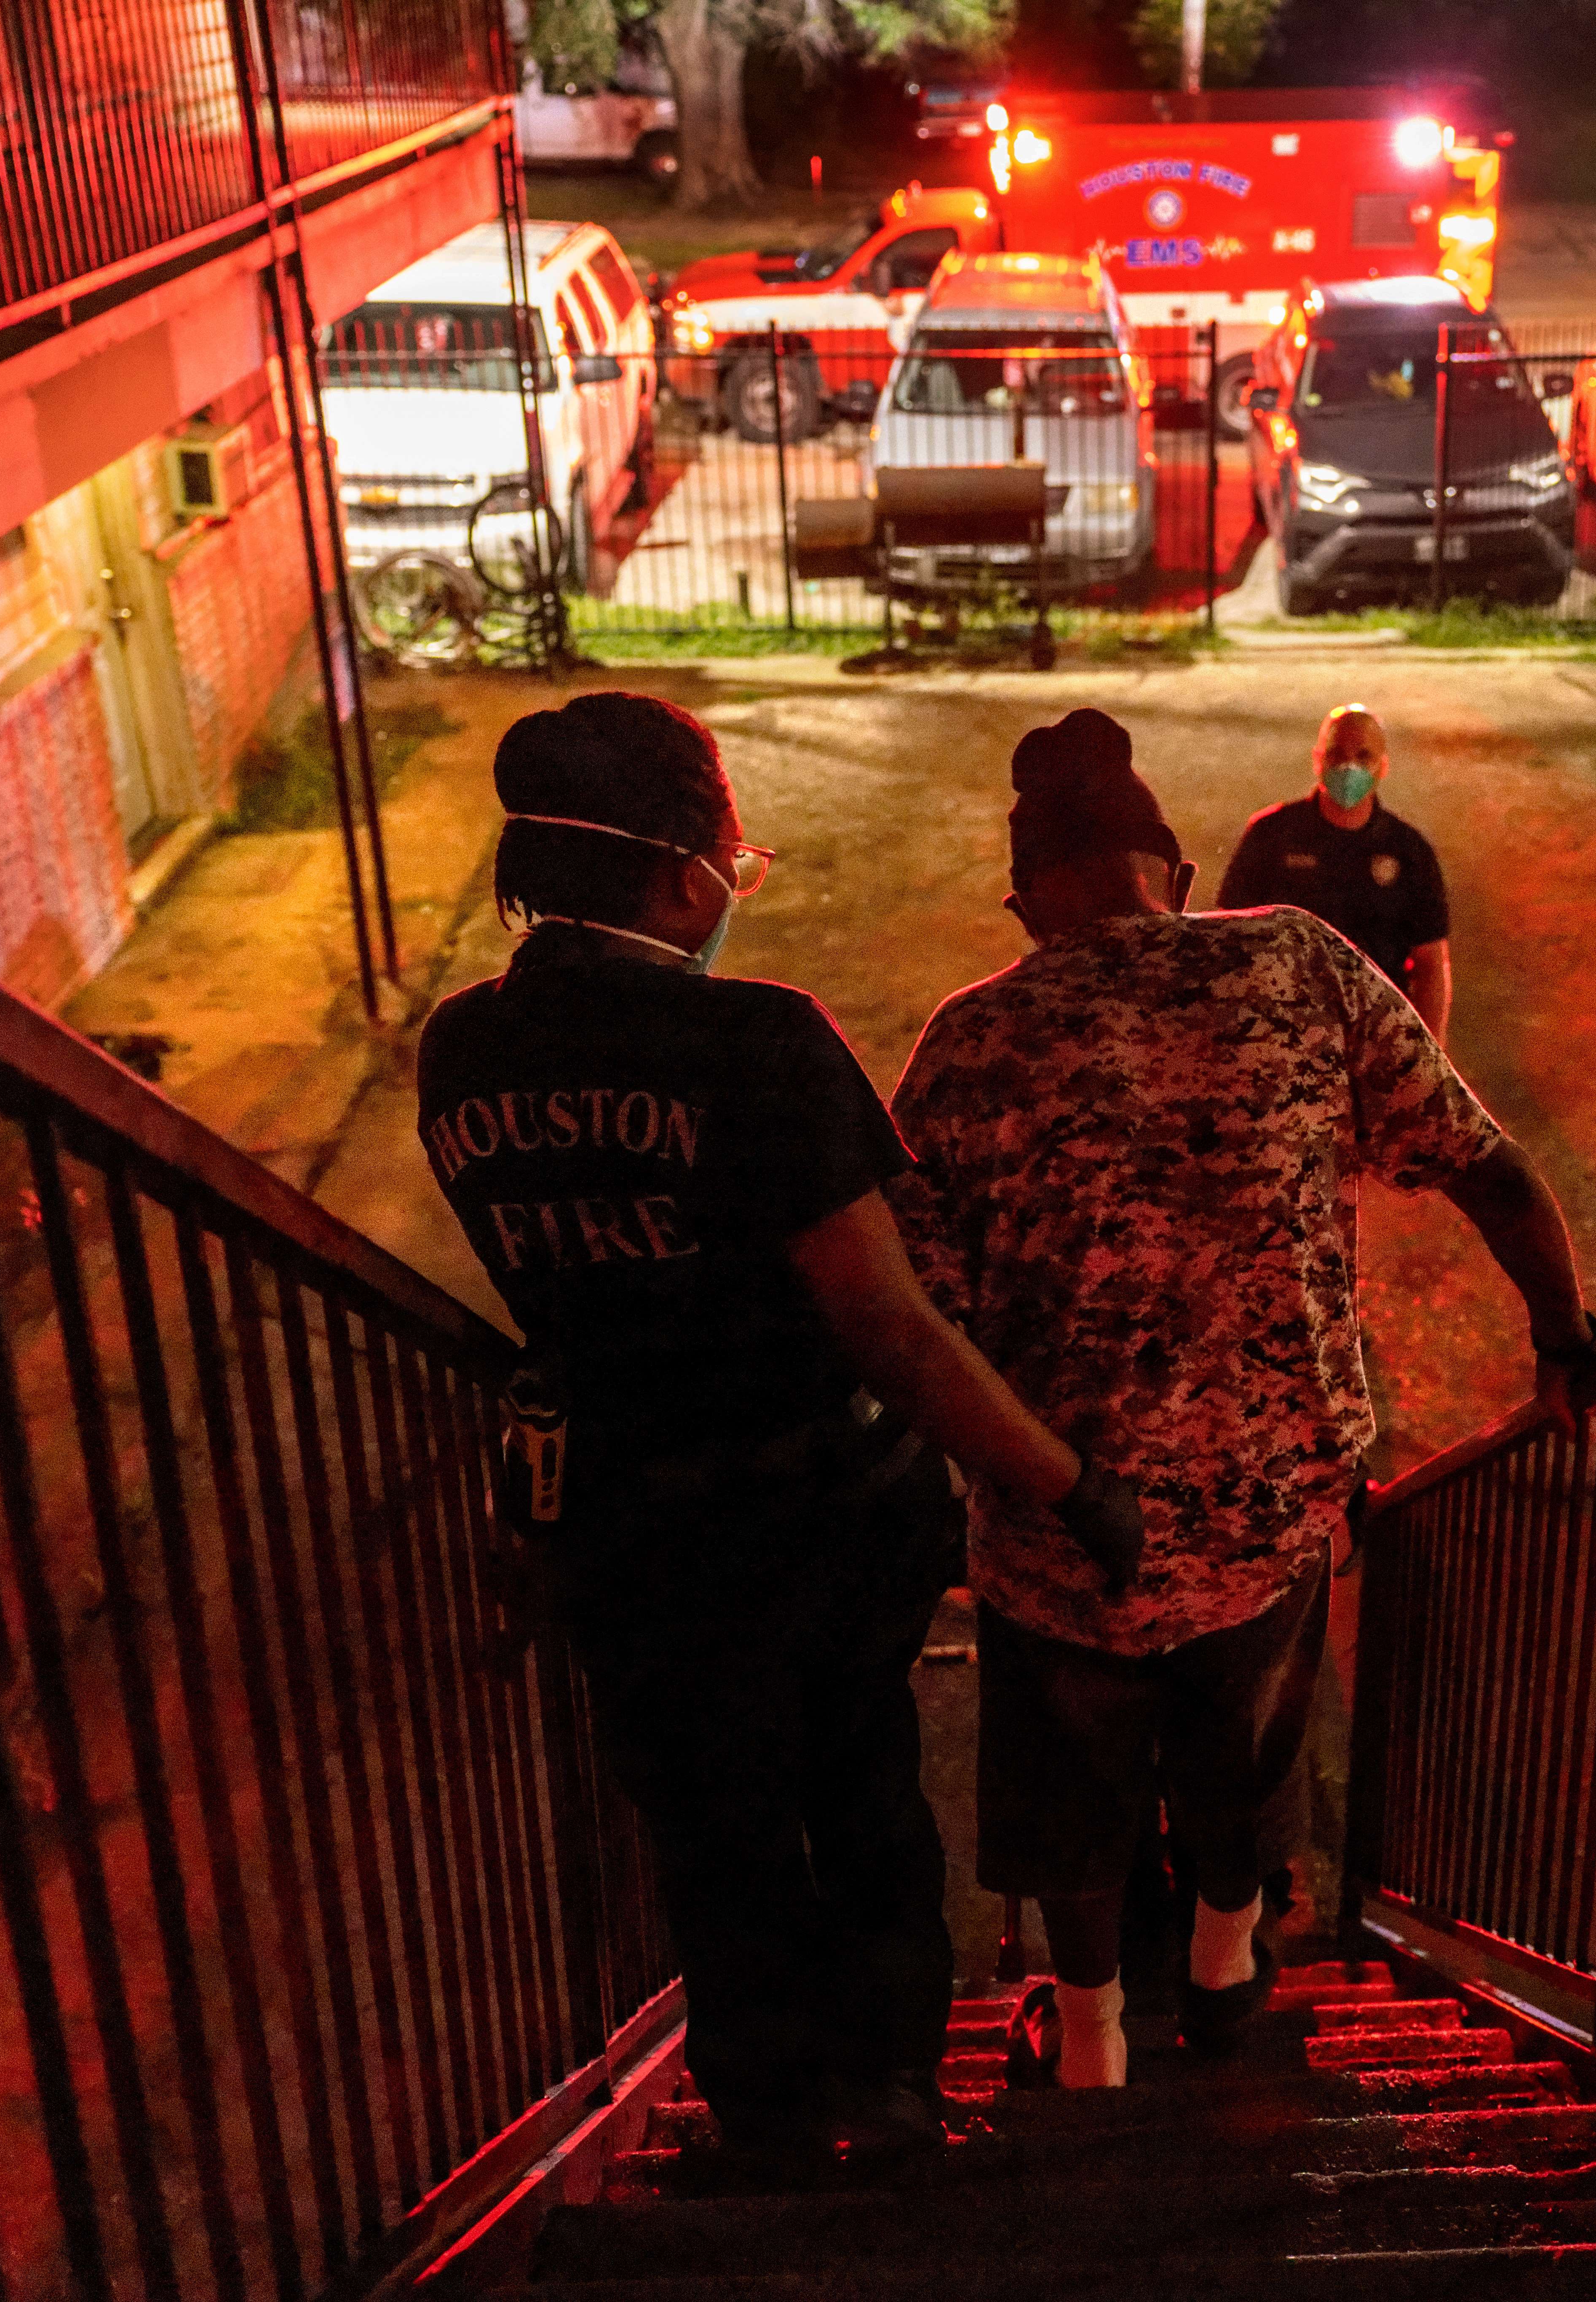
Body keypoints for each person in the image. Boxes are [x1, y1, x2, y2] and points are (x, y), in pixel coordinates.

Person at [417, 693, 1142, 2180]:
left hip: (625, 1522)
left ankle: (758, 2111)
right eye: (737, 869)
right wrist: (1064, 1482)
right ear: (684, 873)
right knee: (859, 1790)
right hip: (809, 1514)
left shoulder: (461, 1052)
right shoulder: (753, 1040)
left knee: (709, 1827)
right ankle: (882, 2091)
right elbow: (891, 1323)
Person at [891, 707, 1596, 2090]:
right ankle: (1224, 1972)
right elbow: (1488, 1166)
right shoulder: (1298, 960)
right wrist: (1562, 1333)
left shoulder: (968, 1043)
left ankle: (1089, 2042)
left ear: (1026, 897)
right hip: (1268, 1506)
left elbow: (915, 1323)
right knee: (1250, 1739)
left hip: (1062, 1529)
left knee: (1072, 1785)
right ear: (1175, 867)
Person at [1216, 703, 1453, 1041]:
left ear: (1382, 767)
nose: (1348, 766)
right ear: (1318, 759)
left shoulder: (1409, 851)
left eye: (1363, 755)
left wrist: (1431, 1055)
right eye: (1337, 753)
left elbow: (1430, 964)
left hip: (1377, 1035)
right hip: (1285, 1031)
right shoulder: (1271, 835)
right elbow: (1230, 936)